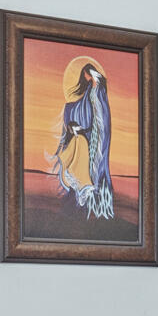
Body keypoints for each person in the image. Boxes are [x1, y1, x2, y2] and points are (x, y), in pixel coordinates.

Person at [50, 56, 115, 219]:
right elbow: (74, 117)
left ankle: (90, 201)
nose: (87, 79)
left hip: (94, 139)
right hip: (82, 139)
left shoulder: (97, 94)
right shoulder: (78, 100)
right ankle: (80, 198)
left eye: (89, 75)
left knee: (91, 169)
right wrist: (73, 127)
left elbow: (101, 116)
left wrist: (96, 79)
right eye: (86, 75)